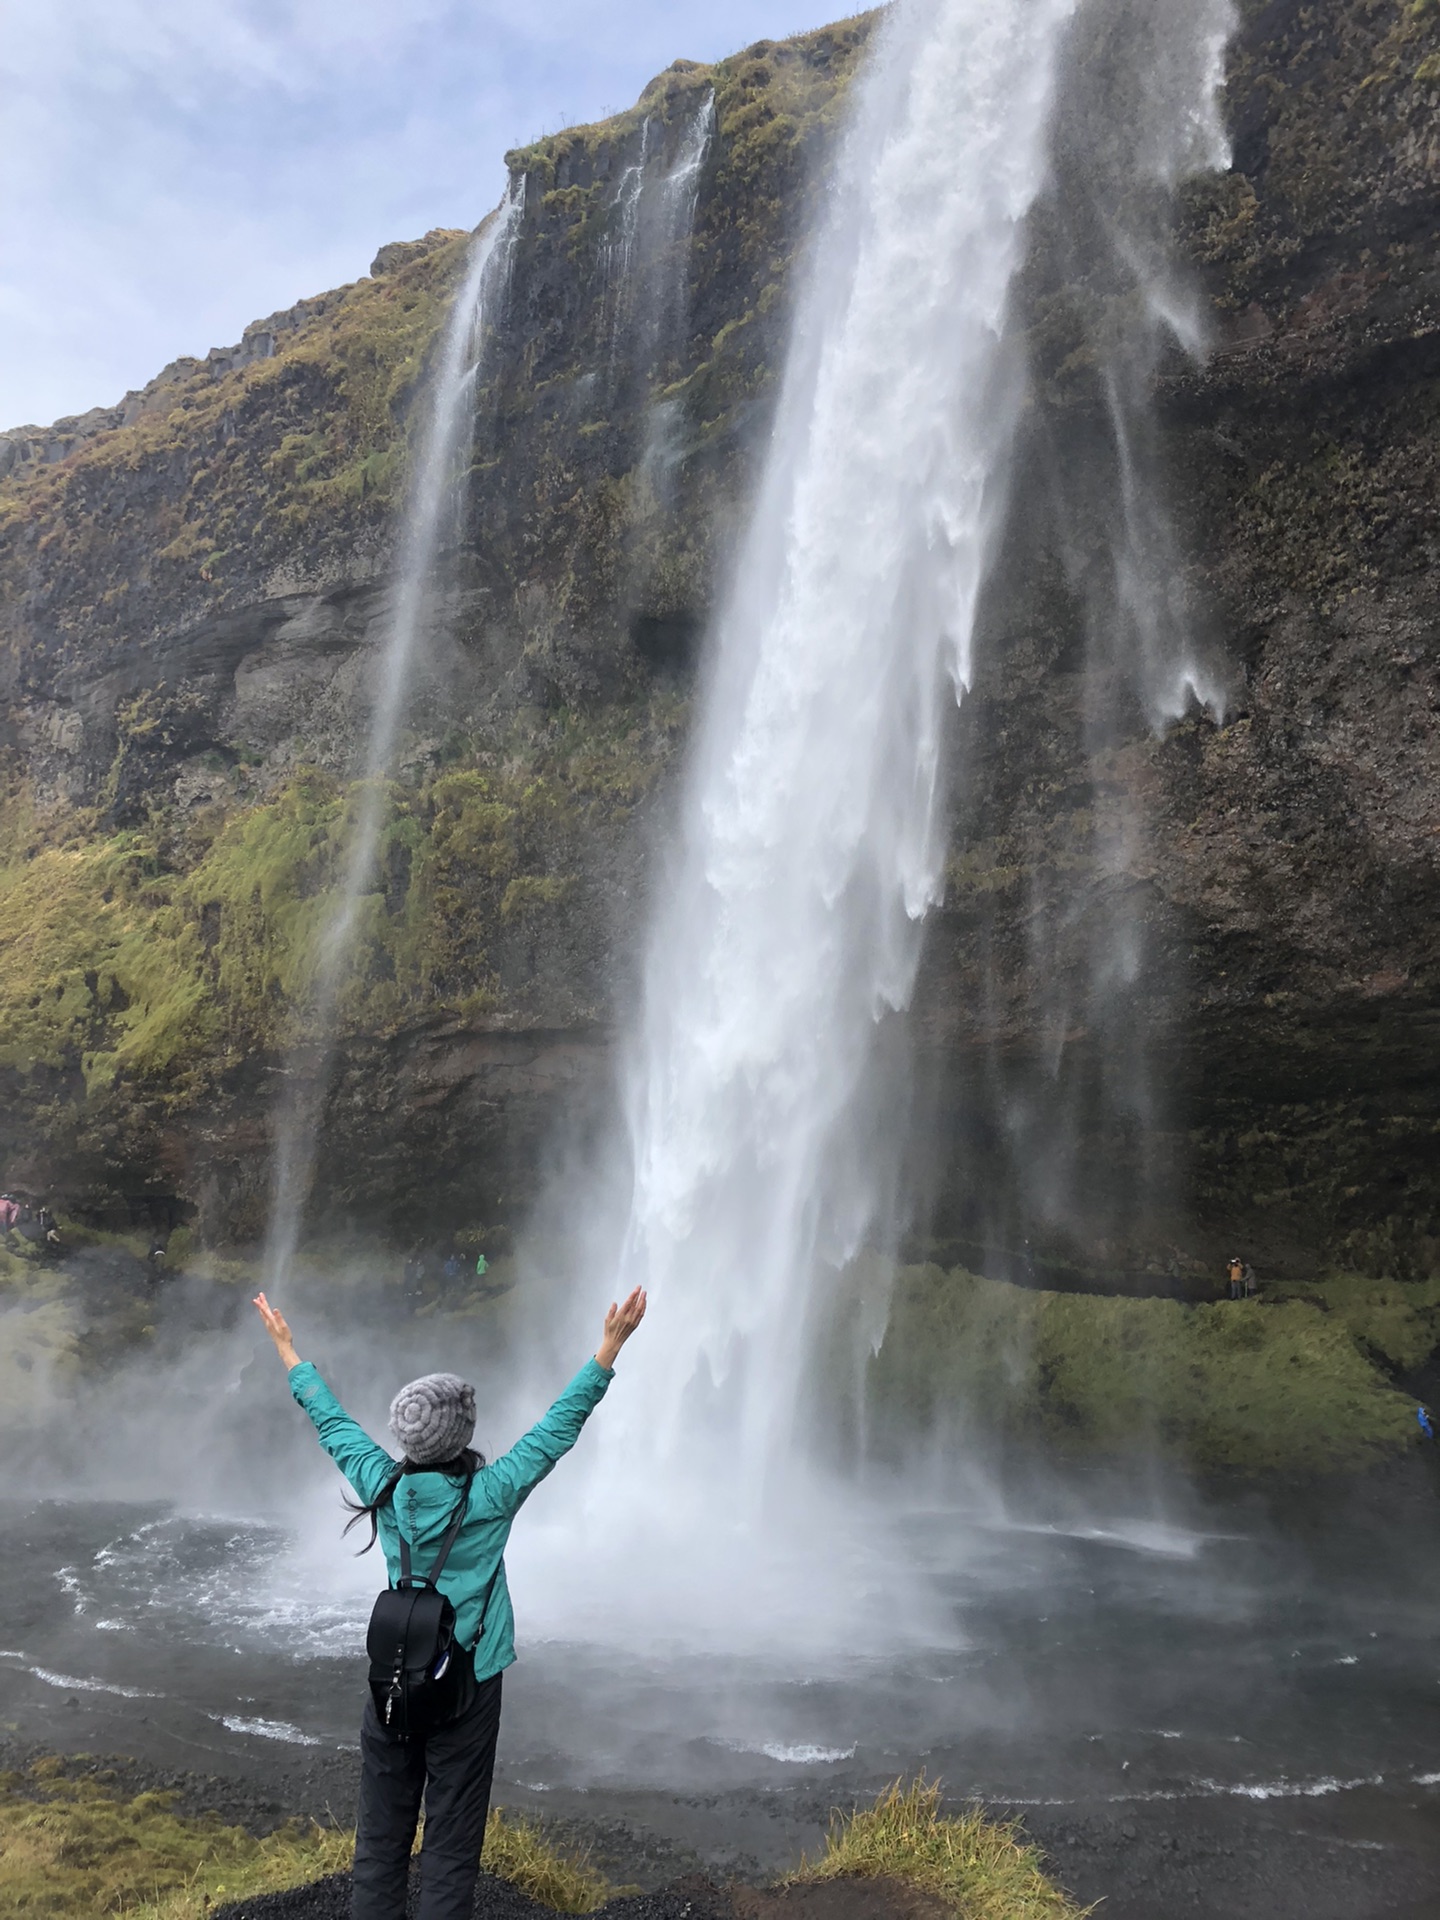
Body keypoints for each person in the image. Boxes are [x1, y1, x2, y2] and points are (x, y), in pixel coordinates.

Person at [252, 1282, 647, 1920]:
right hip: (467, 1683)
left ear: (406, 1438)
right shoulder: (490, 1494)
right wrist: (608, 1350)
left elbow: (332, 1423)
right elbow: (555, 1432)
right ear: (463, 1435)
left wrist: (288, 1350)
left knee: (380, 1840)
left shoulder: (382, 1485)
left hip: (392, 1681)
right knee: (451, 1842)